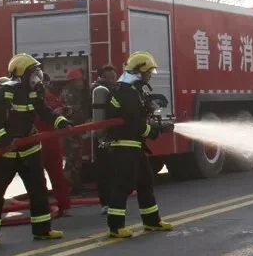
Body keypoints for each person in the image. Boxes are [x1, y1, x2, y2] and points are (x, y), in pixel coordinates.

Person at [0, 54, 72, 246]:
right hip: (5, 152)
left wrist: (60, 121)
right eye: (33, 73)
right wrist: (4, 139)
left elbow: (45, 112)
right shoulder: (3, 93)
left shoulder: (33, 93)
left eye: (37, 73)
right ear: (22, 74)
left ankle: (42, 230)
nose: (37, 77)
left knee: (38, 191)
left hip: (29, 150)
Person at [104, 51, 174, 238]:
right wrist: (155, 131)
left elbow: (139, 116)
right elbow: (134, 123)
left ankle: (152, 222)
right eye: (148, 72)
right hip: (124, 145)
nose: (150, 76)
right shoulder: (126, 93)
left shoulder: (133, 90)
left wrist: (151, 110)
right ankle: (116, 227)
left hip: (134, 145)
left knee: (145, 182)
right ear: (139, 72)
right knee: (123, 185)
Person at [36, 73, 72, 217]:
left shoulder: (51, 97)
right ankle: (42, 209)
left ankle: (64, 206)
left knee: (58, 177)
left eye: (46, 83)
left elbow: (57, 114)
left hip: (52, 143)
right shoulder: (30, 98)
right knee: (38, 180)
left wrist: (64, 113)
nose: (44, 86)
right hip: (36, 143)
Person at [91, 65, 118, 214]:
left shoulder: (115, 89)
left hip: (113, 135)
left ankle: (112, 201)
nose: (112, 80)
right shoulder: (98, 91)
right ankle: (106, 202)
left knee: (113, 169)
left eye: (113, 77)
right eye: (108, 77)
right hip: (103, 137)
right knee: (104, 170)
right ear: (101, 77)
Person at [60, 68, 89, 194]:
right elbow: (72, 112)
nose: (82, 82)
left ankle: (73, 186)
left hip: (74, 130)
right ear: (73, 81)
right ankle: (71, 187)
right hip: (71, 131)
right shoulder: (70, 93)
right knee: (72, 160)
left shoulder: (73, 92)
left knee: (75, 159)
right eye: (80, 80)